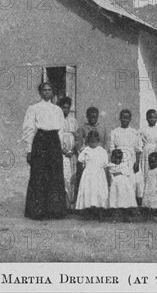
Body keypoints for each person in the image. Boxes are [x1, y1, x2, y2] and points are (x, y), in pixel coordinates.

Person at [22, 82, 67, 220]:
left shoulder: (57, 110)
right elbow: (29, 129)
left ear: (53, 92)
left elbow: (61, 130)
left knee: (54, 175)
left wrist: (60, 147)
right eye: (44, 90)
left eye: (49, 90)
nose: (47, 92)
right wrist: (29, 150)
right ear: (40, 92)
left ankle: (54, 211)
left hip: (54, 142)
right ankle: (37, 211)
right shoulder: (33, 108)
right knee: (39, 175)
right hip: (40, 141)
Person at [75, 107, 109, 199]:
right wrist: (83, 155)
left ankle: (100, 203)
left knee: (100, 182)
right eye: (91, 116)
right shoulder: (83, 128)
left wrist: (104, 157)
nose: (93, 118)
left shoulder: (103, 127)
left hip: (100, 158)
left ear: (98, 116)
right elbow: (78, 143)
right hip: (89, 159)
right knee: (88, 183)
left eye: (95, 116)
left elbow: (106, 143)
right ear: (87, 116)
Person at [110, 109, 142, 203]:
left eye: (127, 118)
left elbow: (138, 149)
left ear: (130, 119)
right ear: (120, 118)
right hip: (119, 159)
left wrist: (137, 162)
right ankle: (119, 205)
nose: (125, 120)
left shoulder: (134, 132)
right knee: (120, 182)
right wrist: (115, 161)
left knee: (131, 182)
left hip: (131, 160)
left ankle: (131, 206)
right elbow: (112, 148)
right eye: (123, 118)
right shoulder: (115, 132)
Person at [76, 131, 109, 220]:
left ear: (98, 141)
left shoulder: (102, 151)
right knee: (89, 192)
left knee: (98, 192)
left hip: (99, 175)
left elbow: (105, 164)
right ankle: (88, 211)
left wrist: (106, 177)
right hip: (88, 175)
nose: (93, 143)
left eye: (95, 141)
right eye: (91, 141)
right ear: (88, 141)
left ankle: (99, 211)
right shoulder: (86, 150)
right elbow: (80, 161)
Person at [139, 109, 157, 201]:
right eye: (150, 117)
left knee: (156, 175)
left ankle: (156, 199)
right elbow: (140, 143)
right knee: (147, 174)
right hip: (146, 153)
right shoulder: (142, 130)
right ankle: (146, 199)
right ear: (146, 118)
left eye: (154, 117)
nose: (152, 119)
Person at [58, 97, 78, 209]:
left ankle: (71, 204)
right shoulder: (56, 121)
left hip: (72, 155)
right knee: (64, 178)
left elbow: (77, 138)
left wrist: (74, 150)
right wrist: (62, 151)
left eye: (67, 108)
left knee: (72, 178)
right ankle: (63, 205)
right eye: (63, 108)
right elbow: (56, 139)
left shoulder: (73, 121)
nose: (65, 110)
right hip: (62, 155)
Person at [107, 149, 137, 221]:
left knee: (125, 200)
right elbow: (110, 174)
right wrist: (119, 173)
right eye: (116, 158)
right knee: (115, 201)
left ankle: (126, 216)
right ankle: (116, 217)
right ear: (112, 158)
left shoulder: (123, 165)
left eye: (119, 158)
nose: (117, 160)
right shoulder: (110, 165)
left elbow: (127, 173)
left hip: (124, 186)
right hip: (115, 185)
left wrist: (119, 173)